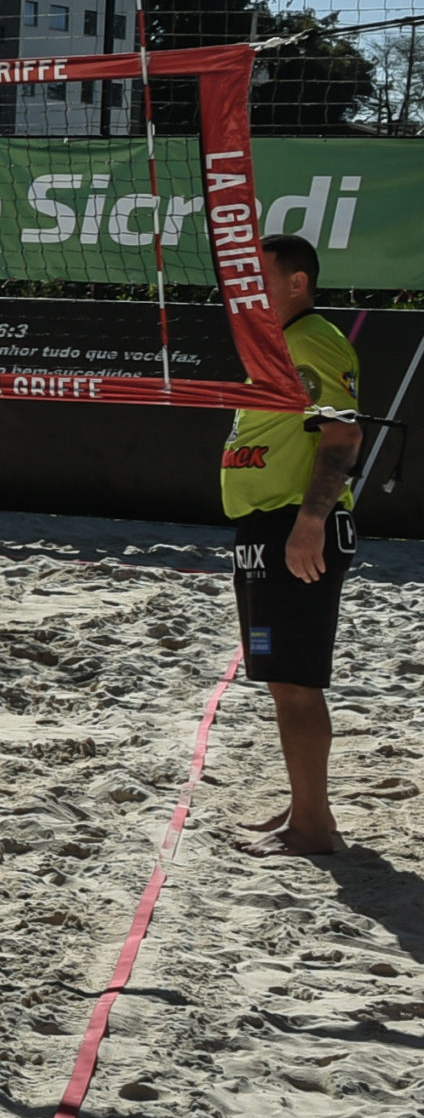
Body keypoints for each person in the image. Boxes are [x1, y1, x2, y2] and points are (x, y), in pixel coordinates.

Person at [223, 233, 364, 859]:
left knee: (299, 684)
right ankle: (306, 805)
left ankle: (313, 827)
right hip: (263, 529)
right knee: (282, 679)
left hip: (294, 529)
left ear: (298, 281)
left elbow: (342, 436)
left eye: (260, 276)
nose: (246, 289)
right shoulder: (276, 346)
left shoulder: (313, 340)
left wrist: (310, 523)